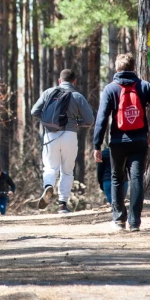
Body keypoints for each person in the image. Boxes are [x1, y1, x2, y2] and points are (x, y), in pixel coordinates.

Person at [93, 53, 150, 232]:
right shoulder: (144, 86)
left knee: (117, 178)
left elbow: (101, 119)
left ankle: (119, 220)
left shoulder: (110, 89)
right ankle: (135, 222)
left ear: (117, 68)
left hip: (117, 141)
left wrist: (97, 145)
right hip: (140, 140)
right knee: (136, 179)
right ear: (134, 68)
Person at [31, 69, 95, 214]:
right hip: (69, 135)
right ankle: (62, 205)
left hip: (50, 135)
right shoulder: (77, 96)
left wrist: (48, 121)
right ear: (74, 81)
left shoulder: (48, 92)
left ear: (60, 81)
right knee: (67, 171)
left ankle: (48, 185)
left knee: (50, 168)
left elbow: (34, 111)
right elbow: (90, 120)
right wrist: (78, 122)